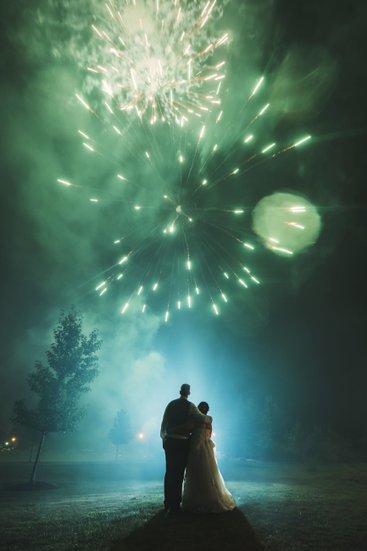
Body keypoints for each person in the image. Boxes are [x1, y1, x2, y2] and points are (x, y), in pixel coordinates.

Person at [182, 401, 236, 513]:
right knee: (209, 471)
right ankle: (210, 497)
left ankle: (196, 499)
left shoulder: (196, 420)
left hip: (196, 447)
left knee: (195, 472)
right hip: (206, 447)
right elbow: (209, 434)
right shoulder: (209, 420)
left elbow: (189, 429)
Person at [160, 383, 201, 513]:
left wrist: (164, 438)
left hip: (170, 441)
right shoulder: (191, 406)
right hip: (182, 442)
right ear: (188, 393)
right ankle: (176, 503)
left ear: (180, 391)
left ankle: (167, 502)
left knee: (169, 472)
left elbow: (164, 423)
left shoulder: (171, 404)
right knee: (179, 473)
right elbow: (200, 417)